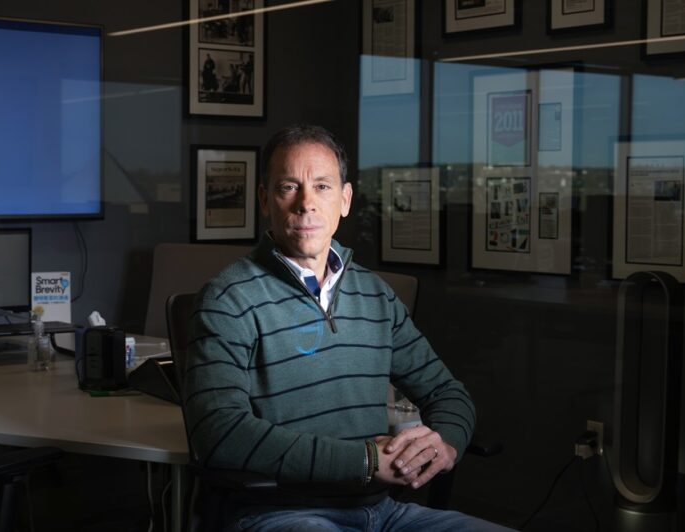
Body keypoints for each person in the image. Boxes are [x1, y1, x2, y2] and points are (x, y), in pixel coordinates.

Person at [182, 124, 510, 531]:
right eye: (288, 187)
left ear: (345, 200)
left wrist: (445, 443)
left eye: (322, 186)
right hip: (281, 514)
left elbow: (447, 392)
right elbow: (218, 433)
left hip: (385, 513)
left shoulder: (374, 294)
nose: (306, 204)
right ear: (265, 200)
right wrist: (365, 461)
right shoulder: (228, 299)